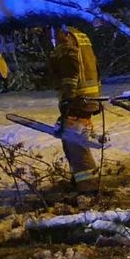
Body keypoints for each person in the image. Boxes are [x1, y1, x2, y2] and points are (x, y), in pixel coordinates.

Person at [48, 26, 102, 193]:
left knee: (74, 140)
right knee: (73, 138)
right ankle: (81, 181)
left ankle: (88, 187)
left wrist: (68, 97)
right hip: (88, 95)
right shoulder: (79, 34)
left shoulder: (63, 35)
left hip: (77, 98)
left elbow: (71, 66)